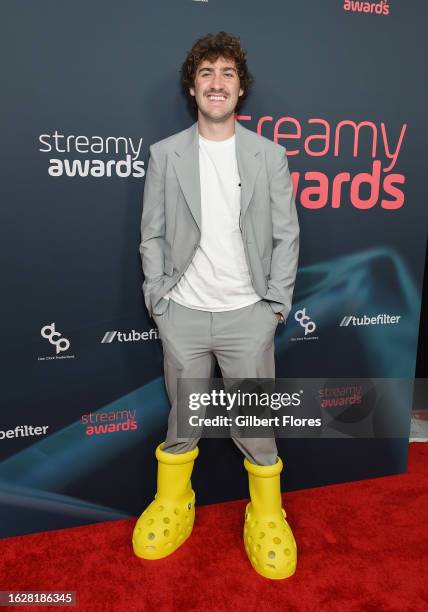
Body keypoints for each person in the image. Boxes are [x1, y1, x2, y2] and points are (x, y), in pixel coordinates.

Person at [133, 31, 300, 580]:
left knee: (255, 425)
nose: (217, 83)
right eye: (207, 73)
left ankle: (267, 514)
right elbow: (151, 235)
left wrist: (274, 306)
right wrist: (159, 298)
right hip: (181, 312)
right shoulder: (165, 155)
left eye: (227, 73)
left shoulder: (268, 156)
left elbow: (285, 236)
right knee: (183, 422)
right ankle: (173, 504)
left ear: (241, 88)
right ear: (192, 85)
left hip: (247, 315)